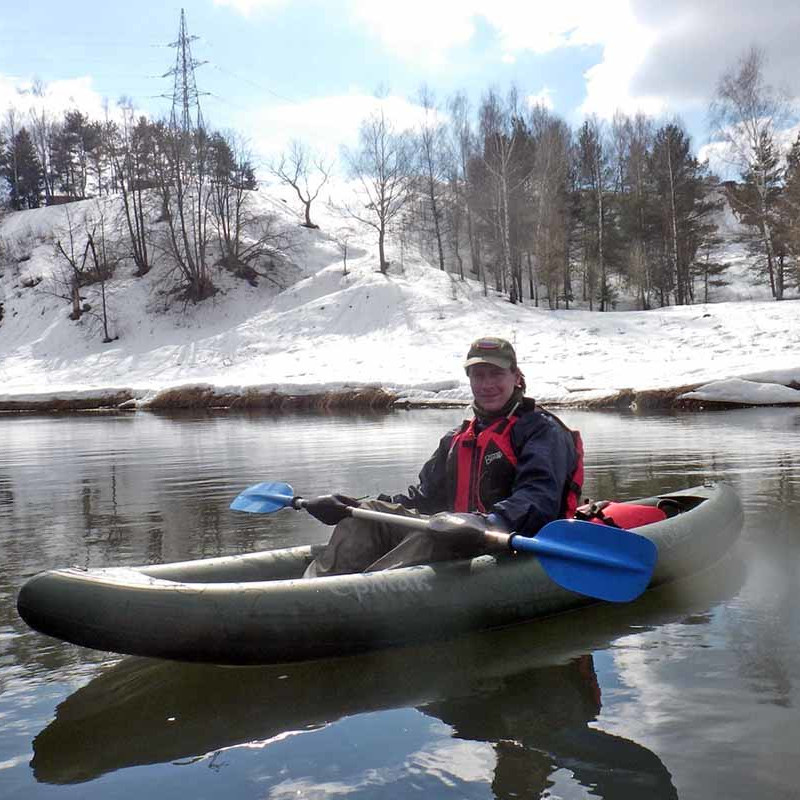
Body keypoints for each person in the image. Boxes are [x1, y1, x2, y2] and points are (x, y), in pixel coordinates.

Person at [303, 336, 582, 577]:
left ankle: (361, 598)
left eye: (496, 374)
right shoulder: (455, 439)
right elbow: (423, 498)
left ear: (516, 377)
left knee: (437, 532)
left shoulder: (541, 431)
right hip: (457, 531)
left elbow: (538, 499)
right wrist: (354, 505)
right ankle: (316, 590)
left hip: (510, 539)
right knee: (367, 516)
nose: (487, 384)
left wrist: (488, 522)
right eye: (478, 375)